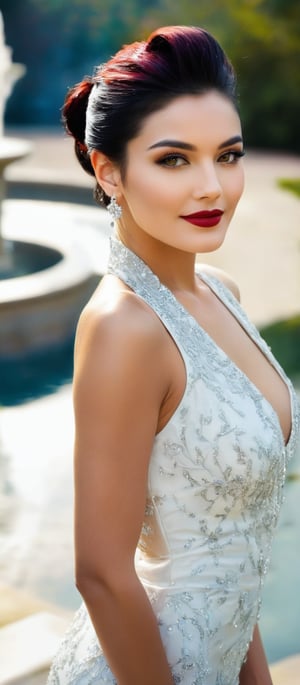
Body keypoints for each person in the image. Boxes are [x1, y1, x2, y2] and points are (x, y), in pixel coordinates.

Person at [47, 25, 299, 685]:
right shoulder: (122, 327)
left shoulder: (224, 292)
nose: (213, 187)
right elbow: (101, 572)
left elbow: (227, 549)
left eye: (230, 154)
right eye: (174, 159)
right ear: (109, 171)